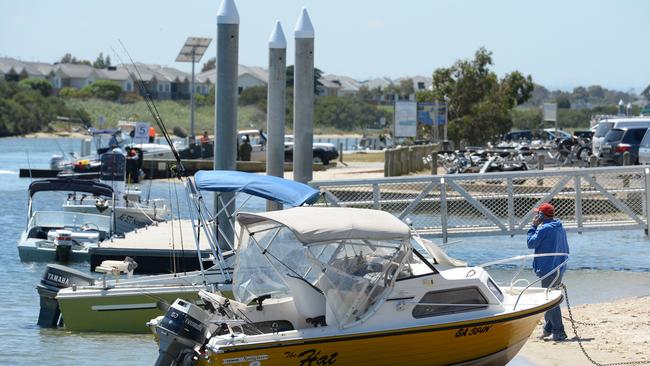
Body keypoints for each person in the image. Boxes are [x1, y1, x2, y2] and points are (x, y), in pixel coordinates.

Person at [527, 203, 570, 342]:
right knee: (550, 297)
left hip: (548, 268)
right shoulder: (559, 227)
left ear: (541, 215)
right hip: (558, 266)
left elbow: (530, 244)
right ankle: (548, 329)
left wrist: (533, 227)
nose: (535, 216)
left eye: (537, 214)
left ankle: (559, 332)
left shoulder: (543, 229)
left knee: (550, 300)